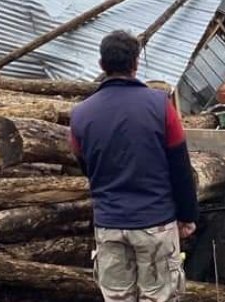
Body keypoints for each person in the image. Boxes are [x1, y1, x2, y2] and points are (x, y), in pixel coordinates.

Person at [69, 30, 199, 302]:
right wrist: (187, 216)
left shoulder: (80, 114)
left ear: (102, 65)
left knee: (117, 298)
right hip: (155, 223)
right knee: (159, 297)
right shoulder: (160, 106)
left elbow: (85, 166)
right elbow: (180, 167)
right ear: (136, 64)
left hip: (109, 225)